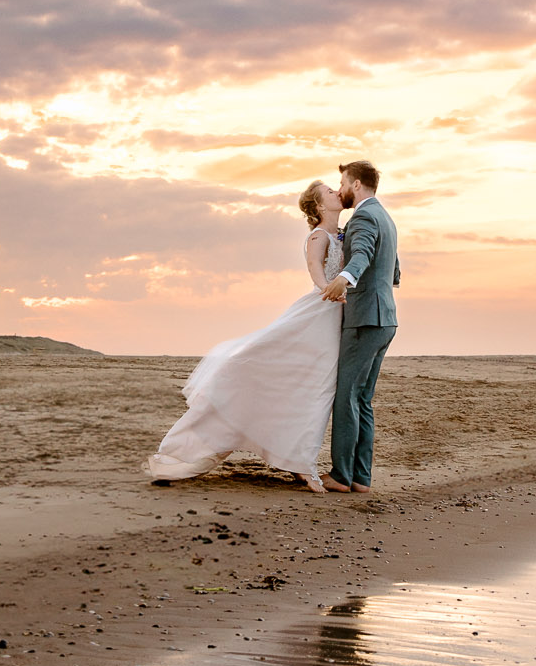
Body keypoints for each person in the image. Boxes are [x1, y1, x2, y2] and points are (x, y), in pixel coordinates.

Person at [144, 179, 349, 492]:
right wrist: (329, 291)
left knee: (314, 388)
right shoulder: (319, 235)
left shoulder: (343, 234)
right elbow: (314, 269)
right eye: (329, 192)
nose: (337, 192)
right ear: (319, 206)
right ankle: (184, 452)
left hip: (334, 316)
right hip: (320, 312)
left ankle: (294, 458)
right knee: (311, 386)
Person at [318, 159, 399, 494]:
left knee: (347, 395)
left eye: (342, 182)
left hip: (365, 318)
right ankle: (360, 478)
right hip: (385, 318)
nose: (340, 189)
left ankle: (340, 476)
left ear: (356, 183)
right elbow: (393, 271)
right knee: (363, 399)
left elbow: (363, 254)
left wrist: (345, 278)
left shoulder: (364, 215)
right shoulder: (386, 217)